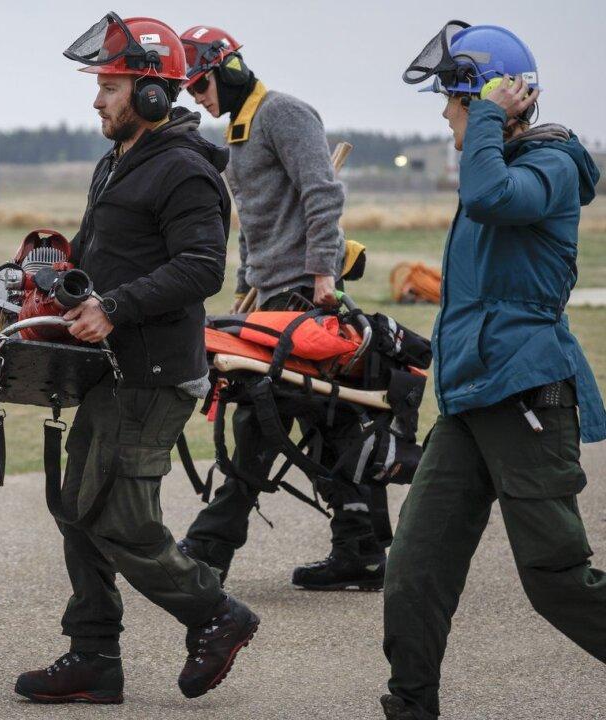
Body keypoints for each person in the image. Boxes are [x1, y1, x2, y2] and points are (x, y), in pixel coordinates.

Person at [12, 13, 260, 704]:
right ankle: (93, 655)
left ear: (152, 94)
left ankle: (216, 614)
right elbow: (112, 258)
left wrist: (116, 307)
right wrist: (58, 278)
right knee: (73, 506)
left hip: (153, 375)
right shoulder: (119, 161)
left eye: (111, 87)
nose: (96, 100)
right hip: (112, 371)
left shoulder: (183, 171)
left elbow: (204, 267)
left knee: (116, 515)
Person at [381, 21, 606, 720]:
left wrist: (482, 114)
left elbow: (488, 197)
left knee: (554, 580)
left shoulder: (551, 165)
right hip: (471, 403)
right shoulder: (503, 158)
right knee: (413, 571)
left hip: (527, 399)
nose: (449, 118)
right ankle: (410, 708)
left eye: (456, 103)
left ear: (489, 102)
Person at [175, 25, 387, 590]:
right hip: (269, 297)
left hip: (305, 295)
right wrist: (245, 278)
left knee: (258, 417)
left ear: (229, 69)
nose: (197, 97)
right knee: (327, 424)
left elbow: (322, 194)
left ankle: (208, 548)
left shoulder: (285, 114)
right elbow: (256, 221)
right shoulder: (241, 134)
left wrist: (324, 271)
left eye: (200, 84)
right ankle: (361, 550)